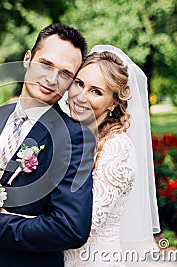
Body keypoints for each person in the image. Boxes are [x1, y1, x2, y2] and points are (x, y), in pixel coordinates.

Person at [0, 23, 96, 267]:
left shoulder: (75, 137)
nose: (52, 79)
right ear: (27, 59)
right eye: (46, 64)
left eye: (65, 73)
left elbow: (70, 227)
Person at [62, 45, 160, 266]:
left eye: (96, 91)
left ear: (114, 102)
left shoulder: (117, 149)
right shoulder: (70, 137)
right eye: (79, 84)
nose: (80, 96)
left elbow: (84, 225)